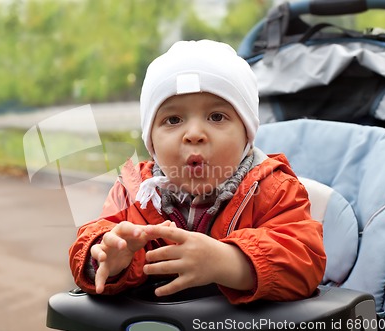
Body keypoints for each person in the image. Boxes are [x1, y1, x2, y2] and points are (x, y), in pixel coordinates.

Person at [69, 39, 326, 304]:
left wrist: (228, 262)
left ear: (246, 134)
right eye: (173, 120)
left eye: (216, 117)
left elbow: (304, 260)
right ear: (152, 142)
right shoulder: (132, 192)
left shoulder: (274, 189)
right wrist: (105, 257)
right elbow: (94, 238)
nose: (193, 134)